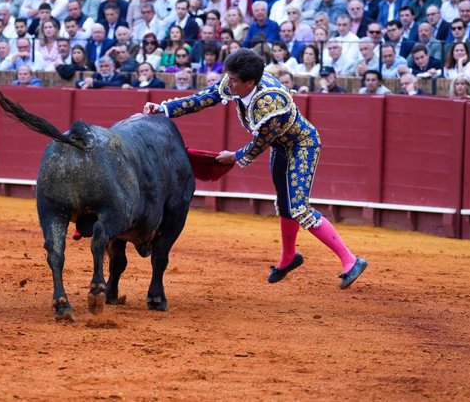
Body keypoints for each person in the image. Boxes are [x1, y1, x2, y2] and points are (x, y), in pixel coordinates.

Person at [143, 49, 368, 289]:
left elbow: (259, 144)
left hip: (302, 145)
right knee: (284, 204)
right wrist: (164, 109)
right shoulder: (237, 79)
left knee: (299, 208)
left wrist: (234, 157)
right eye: (228, 77)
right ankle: (289, 258)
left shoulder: (271, 103)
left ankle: (350, 260)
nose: (228, 83)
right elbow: (205, 97)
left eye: (233, 80)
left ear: (250, 82)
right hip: (280, 147)